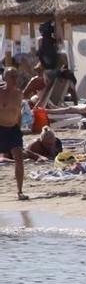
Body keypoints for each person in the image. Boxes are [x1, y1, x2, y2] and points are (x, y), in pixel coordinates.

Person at [0, 63, 24, 200]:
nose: (15, 79)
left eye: (16, 76)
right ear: (5, 78)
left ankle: (20, 191)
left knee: (19, 158)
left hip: (13, 129)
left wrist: (19, 129)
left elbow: (18, 113)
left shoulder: (19, 93)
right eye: (12, 76)